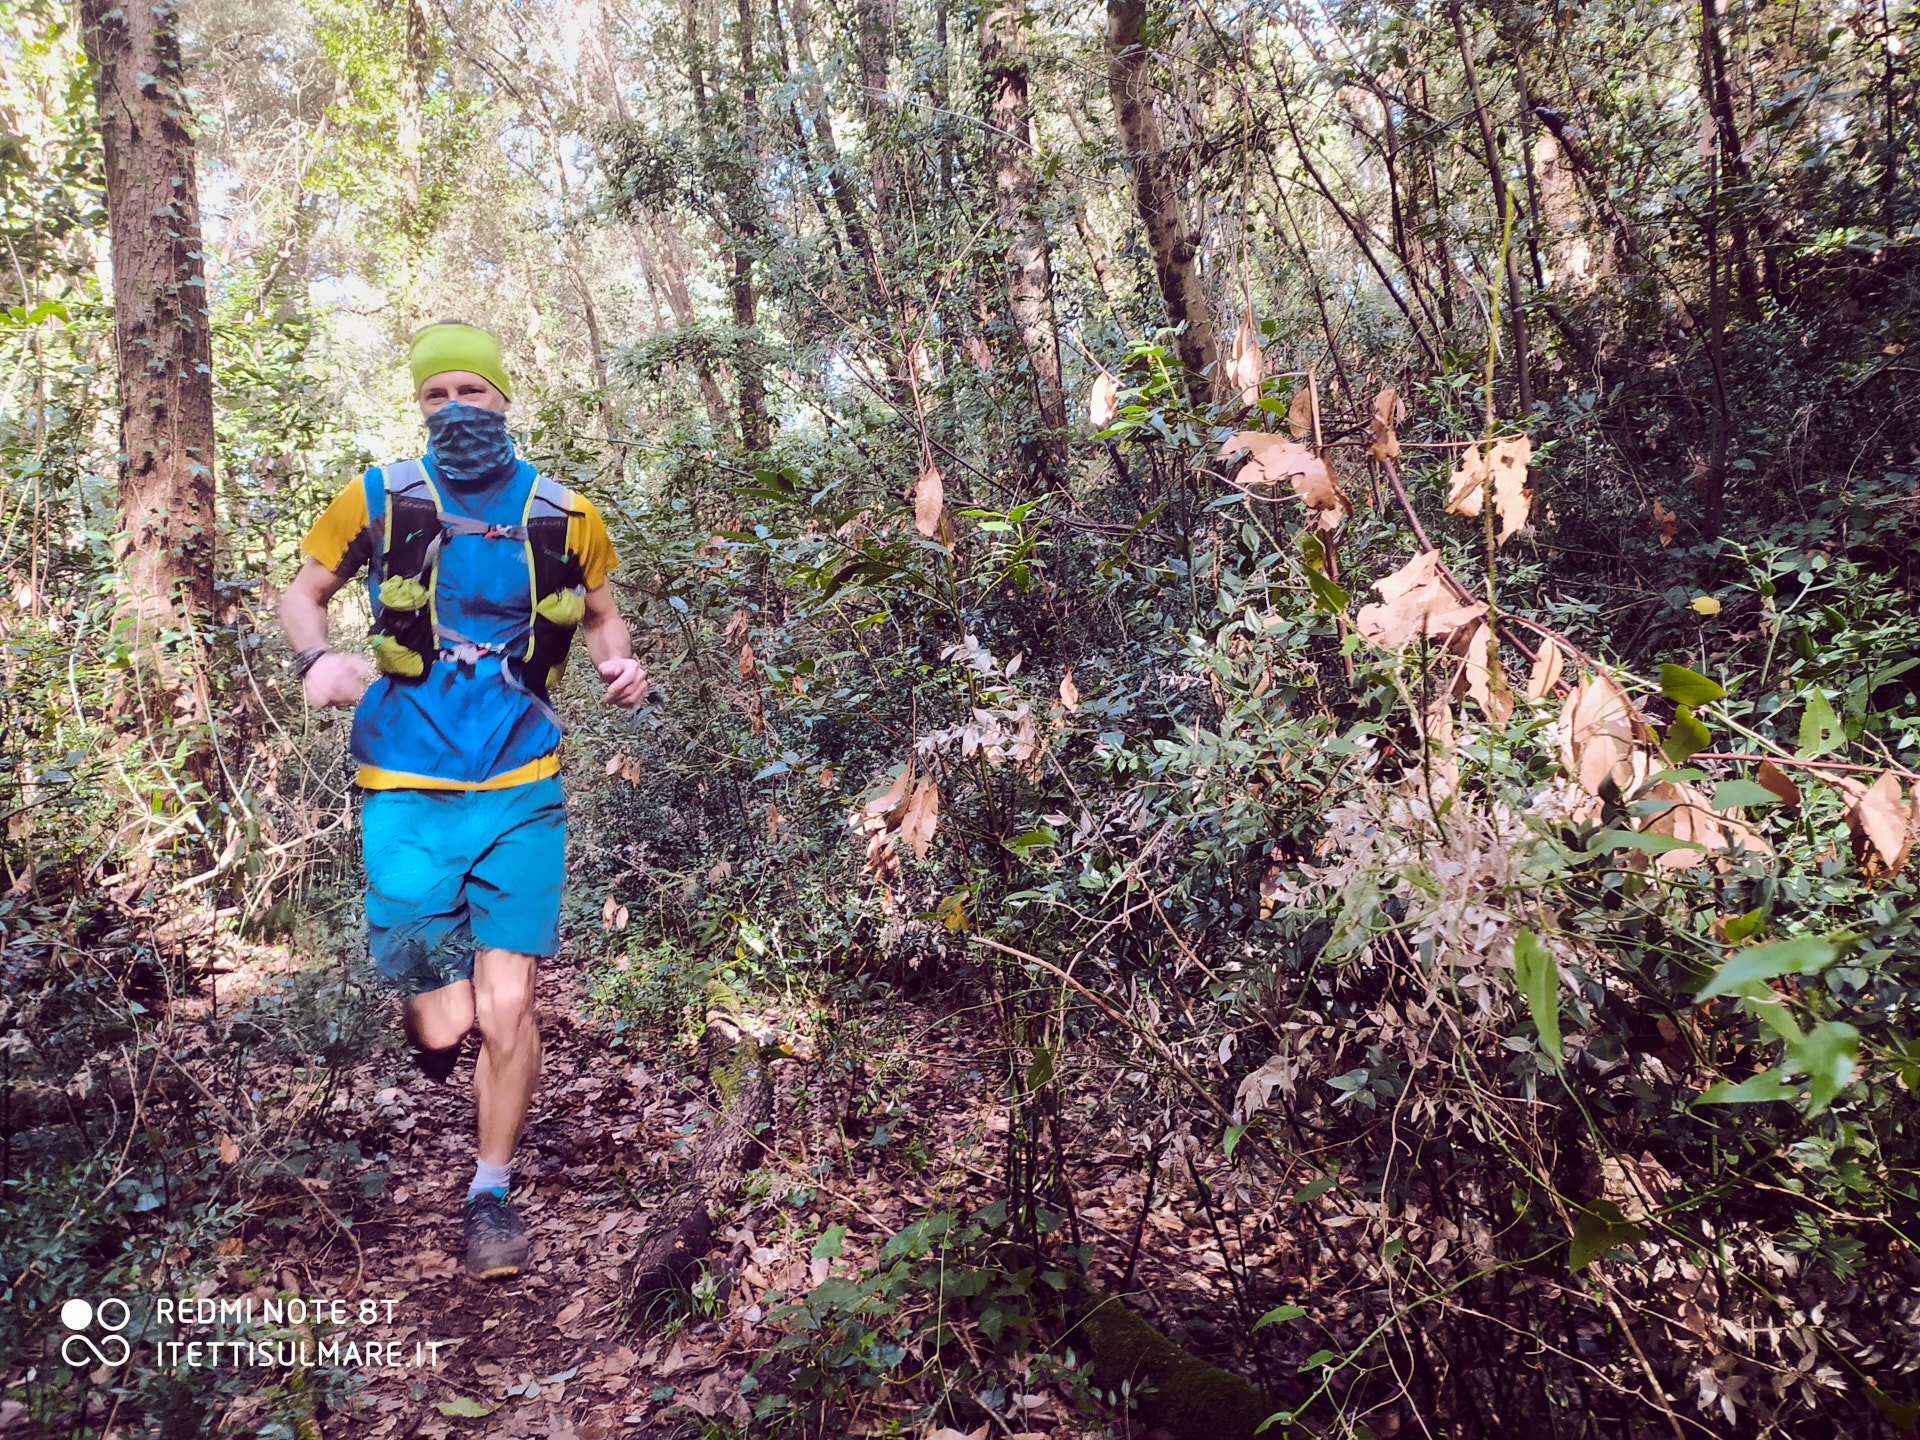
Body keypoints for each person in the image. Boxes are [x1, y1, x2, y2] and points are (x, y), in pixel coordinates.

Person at [280, 321, 647, 1279]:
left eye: (471, 392)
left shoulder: (566, 515)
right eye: (435, 394)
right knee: (438, 1016)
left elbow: (606, 619)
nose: (454, 409)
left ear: (505, 400)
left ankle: (490, 1192)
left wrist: (619, 666)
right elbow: (303, 594)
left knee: (507, 1004)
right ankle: (434, 1023)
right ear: (419, 408)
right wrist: (319, 658)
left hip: (523, 781)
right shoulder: (381, 496)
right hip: (404, 783)